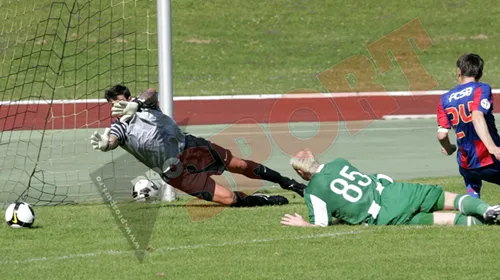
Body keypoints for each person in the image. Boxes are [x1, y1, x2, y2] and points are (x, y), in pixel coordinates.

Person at [90, 84, 306, 208]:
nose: (115, 106)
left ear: (127, 98)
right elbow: (113, 140)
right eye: (111, 104)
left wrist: (135, 104)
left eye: (118, 101)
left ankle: (290, 184)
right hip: (175, 172)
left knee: (239, 165)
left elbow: (151, 91)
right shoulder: (119, 127)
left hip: (192, 149)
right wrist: (105, 145)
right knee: (228, 199)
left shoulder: (146, 107)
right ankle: (263, 200)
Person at [280, 149, 500, 227]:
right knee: (449, 200)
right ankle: (487, 210)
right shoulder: (339, 162)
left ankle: (486, 224)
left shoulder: (313, 192)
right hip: (393, 193)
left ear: (300, 172)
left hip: (383, 217)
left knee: (443, 221)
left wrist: (302, 223)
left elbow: (321, 223)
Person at [437, 53, 500, 198]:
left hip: (466, 163)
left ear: (459, 71)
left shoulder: (445, 99)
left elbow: (442, 135)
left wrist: (449, 148)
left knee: (471, 178)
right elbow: (477, 116)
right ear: (480, 72)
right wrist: (491, 147)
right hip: (489, 158)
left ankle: (475, 208)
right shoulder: (481, 88)